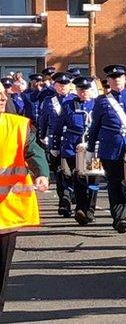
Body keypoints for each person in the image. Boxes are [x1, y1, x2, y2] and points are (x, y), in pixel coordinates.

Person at [85, 65, 126, 233]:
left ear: (125, 79)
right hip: (111, 149)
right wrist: (91, 149)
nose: (116, 80)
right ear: (108, 81)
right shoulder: (102, 101)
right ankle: (120, 218)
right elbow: (95, 126)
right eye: (113, 78)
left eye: (119, 77)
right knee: (115, 184)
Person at [0, 87, 49, 312]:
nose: (2, 98)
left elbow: (34, 152)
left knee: (1, 267)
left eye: (4, 94)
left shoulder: (17, 125)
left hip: (7, 209)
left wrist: (42, 174)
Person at [57, 76, 98, 225]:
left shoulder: (97, 104)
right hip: (72, 146)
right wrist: (55, 146)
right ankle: (80, 209)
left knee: (93, 178)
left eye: (86, 89)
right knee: (79, 177)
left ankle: (90, 210)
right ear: (77, 90)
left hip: (93, 146)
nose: (84, 92)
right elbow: (59, 125)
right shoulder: (68, 105)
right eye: (81, 89)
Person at [38, 72, 75, 217]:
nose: (63, 87)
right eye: (60, 84)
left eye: (65, 84)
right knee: (60, 173)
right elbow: (43, 120)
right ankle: (64, 202)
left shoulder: (74, 99)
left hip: (73, 142)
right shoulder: (48, 101)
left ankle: (73, 196)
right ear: (55, 86)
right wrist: (42, 137)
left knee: (74, 173)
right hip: (56, 142)